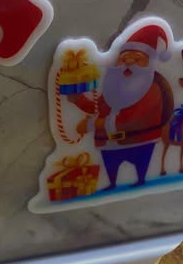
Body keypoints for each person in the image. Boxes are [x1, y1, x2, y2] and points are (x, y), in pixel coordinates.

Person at [69, 24, 174, 189]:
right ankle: (111, 183)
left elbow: (129, 120)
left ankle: (140, 180)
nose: (129, 62)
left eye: (137, 59)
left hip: (139, 139)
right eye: (123, 58)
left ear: (148, 63)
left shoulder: (152, 89)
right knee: (110, 165)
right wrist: (77, 100)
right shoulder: (114, 87)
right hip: (110, 142)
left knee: (140, 166)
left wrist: (90, 125)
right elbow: (99, 107)